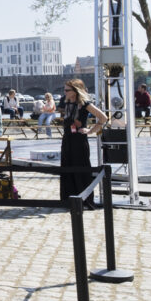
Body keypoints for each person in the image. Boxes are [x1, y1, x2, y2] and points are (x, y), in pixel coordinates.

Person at [60, 78, 107, 208]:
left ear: (75, 91)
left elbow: (103, 117)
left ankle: (84, 199)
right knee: (67, 167)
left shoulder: (85, 104)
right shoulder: (67, 102)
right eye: (64, 90)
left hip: (79, 141)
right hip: (67, 138)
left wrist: (90, 131)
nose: (65, 92)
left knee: (80, 168)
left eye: (67, 90)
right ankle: (68, 199)